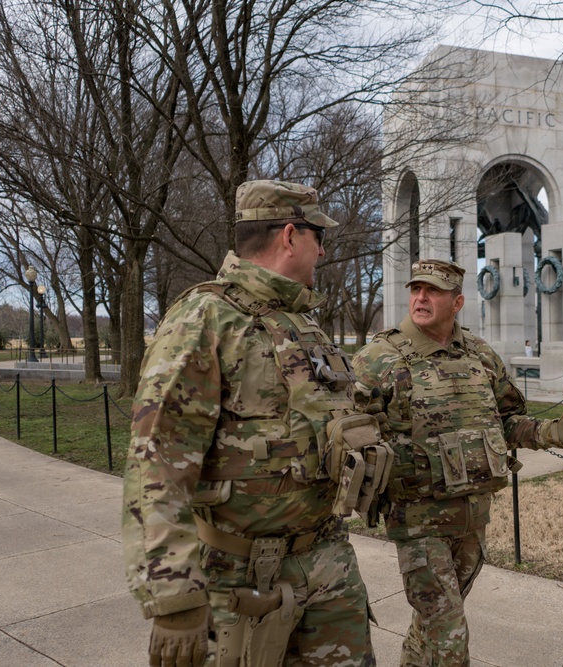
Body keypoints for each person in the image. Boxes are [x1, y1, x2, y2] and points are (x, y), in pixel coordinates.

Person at [122, 180, 375, 667]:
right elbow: (155, 465)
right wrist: (174, 599)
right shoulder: (204, 319)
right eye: (317, 236)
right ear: (289, 236)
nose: (322, 249)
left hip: (327, 565)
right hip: (238, 578)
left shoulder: (303, 323)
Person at [351, 259, 563, 667]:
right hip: (417, 522)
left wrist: (553, 433)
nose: (420, 298)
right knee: (448, 630)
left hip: (472, 517)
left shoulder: (481, 355)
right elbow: (345, 432)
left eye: (433, 291)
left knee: (432, 625)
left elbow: (506, 421)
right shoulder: (379, 358)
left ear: (457, 302)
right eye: (416, 289)